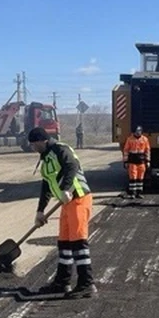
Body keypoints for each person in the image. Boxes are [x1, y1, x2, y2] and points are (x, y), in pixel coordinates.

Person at [28, 127, 96, 299]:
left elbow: (72, 165)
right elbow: (46, 187)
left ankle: (86, 284)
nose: (32, 148)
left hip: (78, 197)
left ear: (42, 141)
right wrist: (40, 211)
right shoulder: (45, 160)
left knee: (78, 243)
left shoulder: (61, 149)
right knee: (64, 244)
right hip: (66, 204)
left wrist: (66, 189)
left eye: (34, 144)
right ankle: (62, 282)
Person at [122, 125, 151, 198]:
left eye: (139, 131)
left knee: (140, 178)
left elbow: (147, 151)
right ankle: (132, 193)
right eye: (137, 131)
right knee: (133, 177)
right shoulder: (130, 139)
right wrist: (125, 162)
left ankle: (139, 193)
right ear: (134, 132)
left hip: (141, 161)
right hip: (132, 161)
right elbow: (126, 151)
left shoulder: (145, 139)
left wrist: (148, 161)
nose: (138, 133)